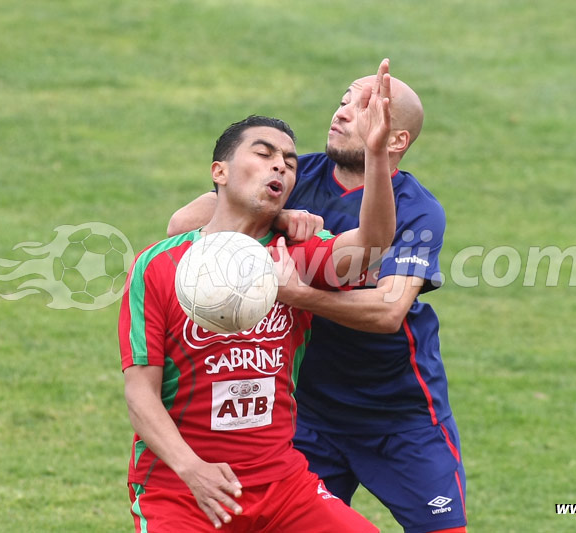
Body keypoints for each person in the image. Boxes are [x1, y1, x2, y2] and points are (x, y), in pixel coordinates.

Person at [168, 64, 467, 533]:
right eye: (344, 100)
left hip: (400, 416)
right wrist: (277, 212)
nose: (342, 113)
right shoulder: (293, 173)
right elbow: (183, 223)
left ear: (395, 141)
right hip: (308, 414)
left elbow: (389, 310)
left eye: (364, 108)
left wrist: (296, 294)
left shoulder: (416, 209)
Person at [118, 62, 395, 533]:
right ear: (219, 171)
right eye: (264, 154)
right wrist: (193, 471)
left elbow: (372, 246)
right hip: (180, 491)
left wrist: (375, 157)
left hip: (283, 486)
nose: (279, 167)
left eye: (289, 163)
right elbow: (140, 392)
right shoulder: (158, 265)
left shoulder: (297, 255)